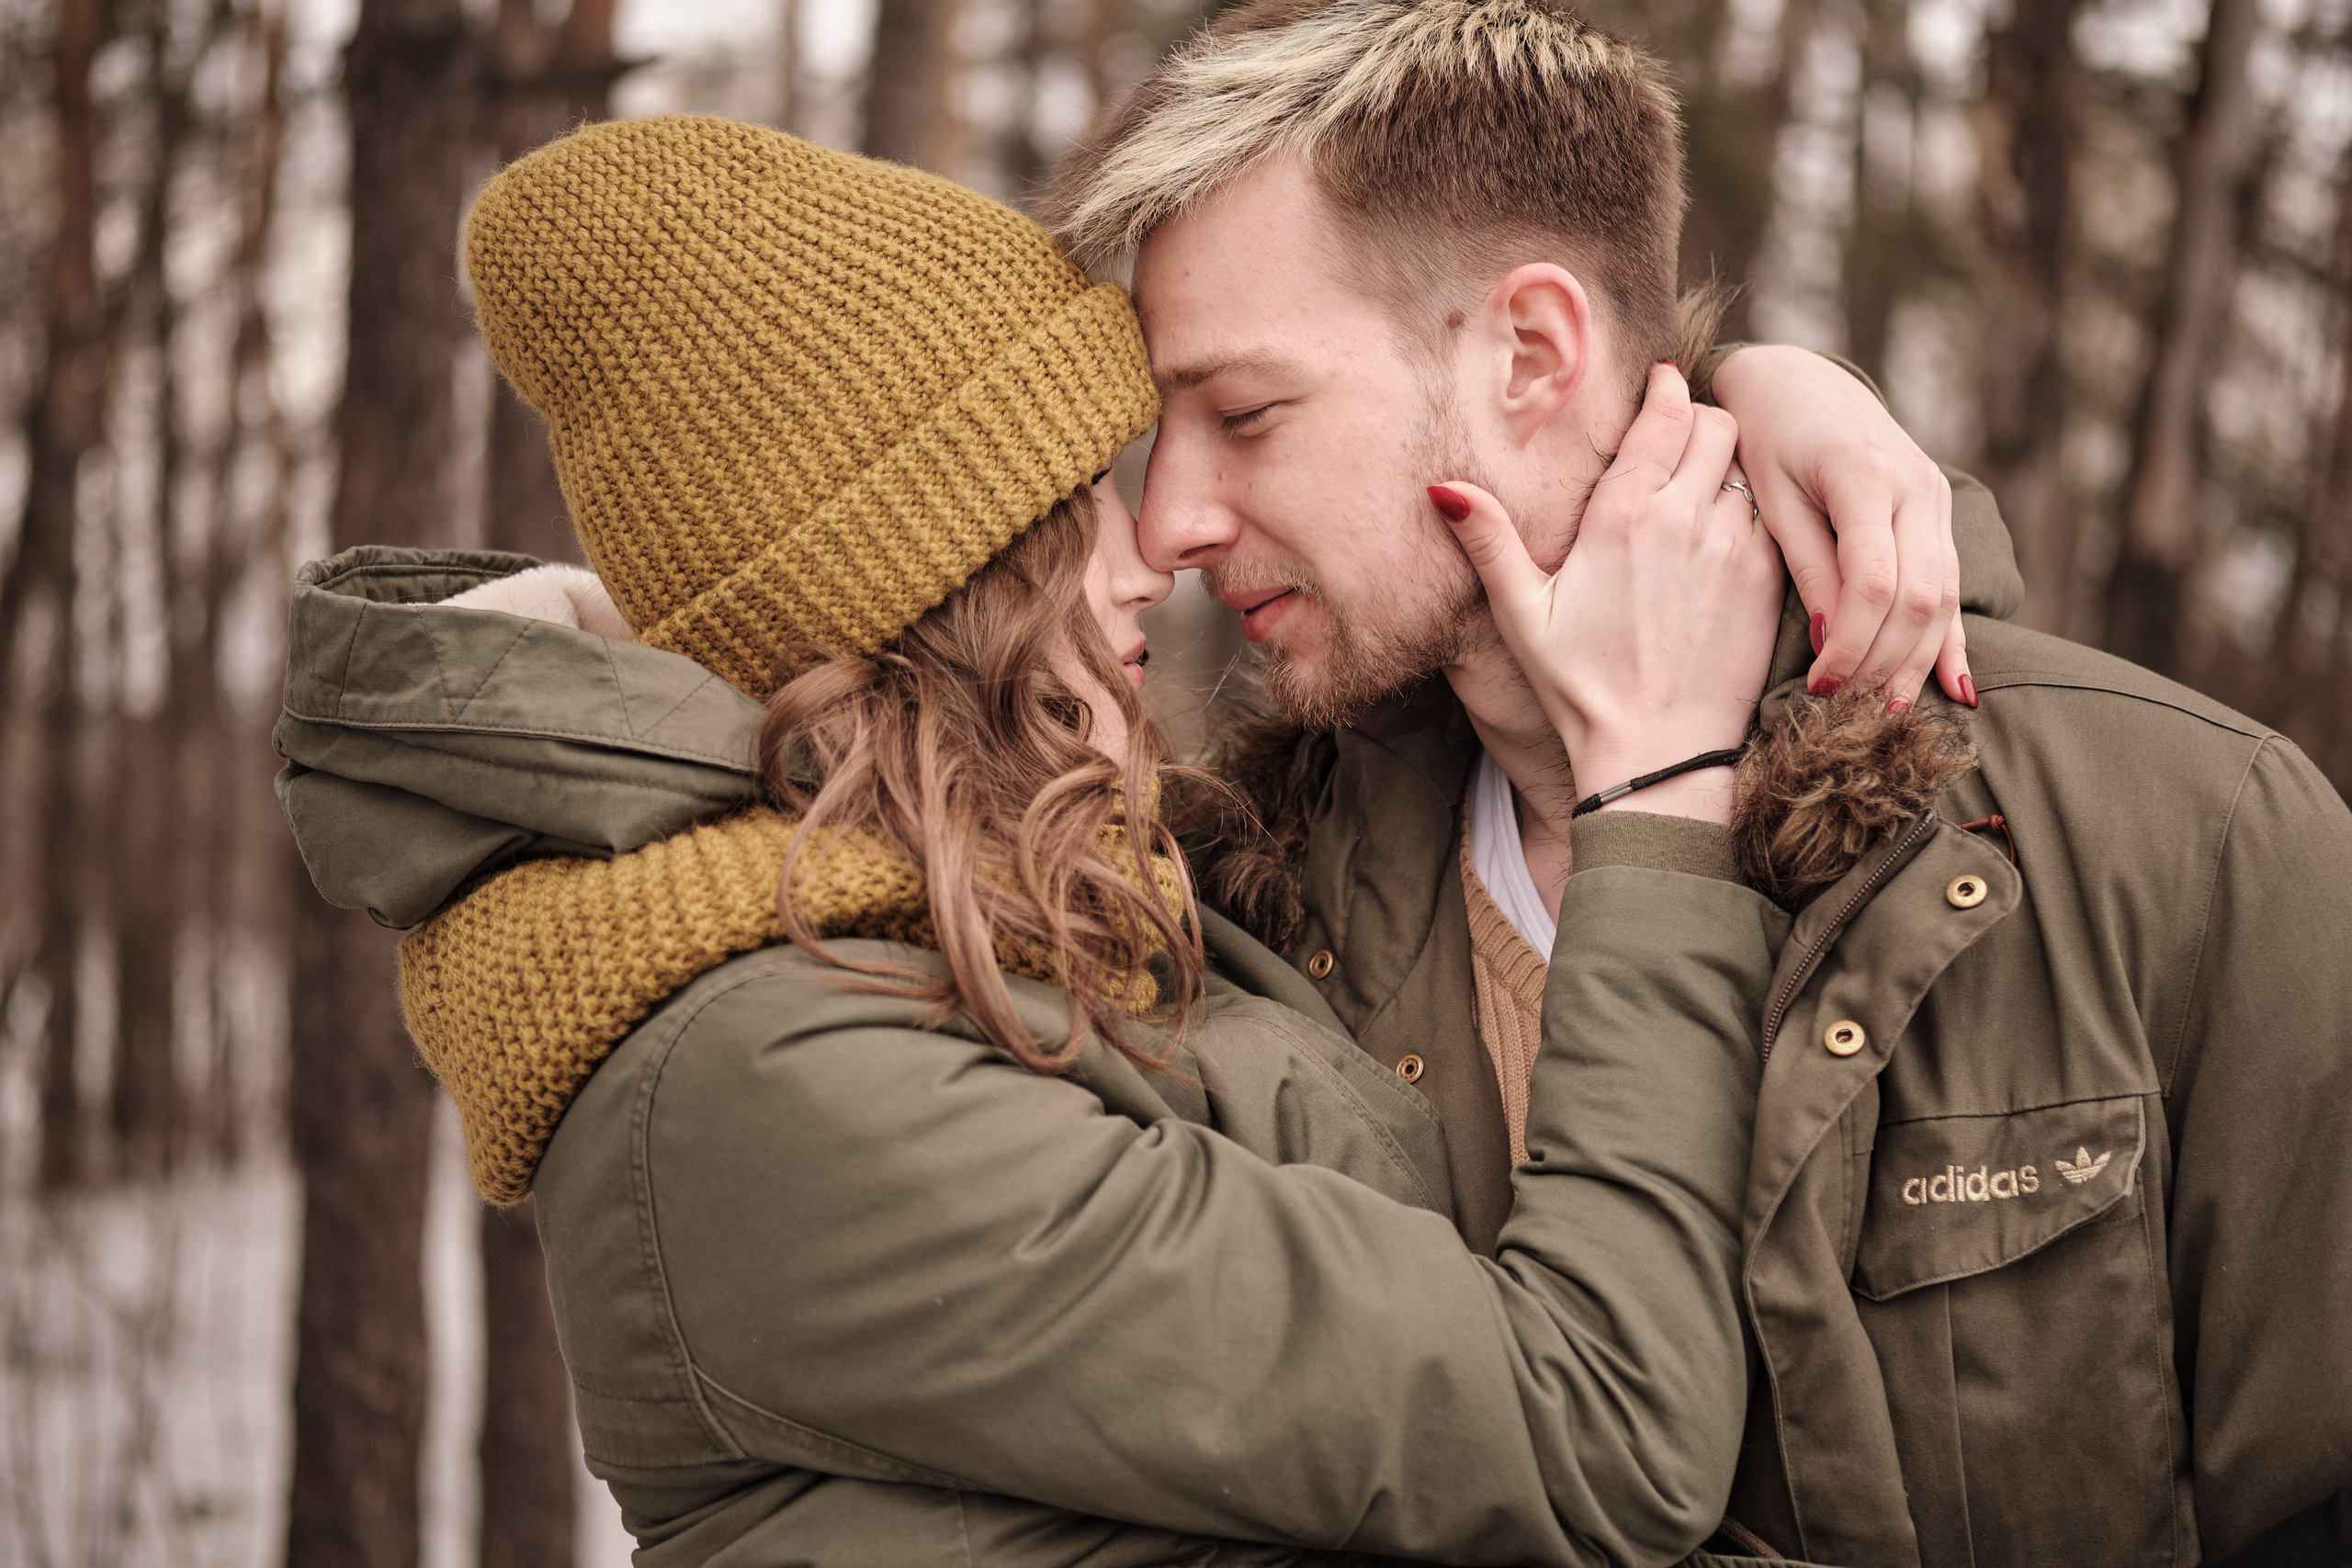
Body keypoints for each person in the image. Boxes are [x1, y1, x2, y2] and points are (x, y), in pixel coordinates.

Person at [272, 114, 1930, 1568]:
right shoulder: (779, 1083)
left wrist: (1746, 407)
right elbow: (1597, 1430)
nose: (1150, 546)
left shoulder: (954, 909)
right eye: (1078, 498)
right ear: (924, 578)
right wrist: (1657, 796)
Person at [1046, 2, 2352, 1562]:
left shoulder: (2187, 835)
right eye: (1159, 432)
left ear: (1532, 350)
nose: (1173, 517)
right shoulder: (1242, 912)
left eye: (1244, 414)